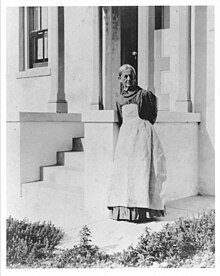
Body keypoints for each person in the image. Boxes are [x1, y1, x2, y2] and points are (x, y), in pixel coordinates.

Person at [107, 64, 167, 222]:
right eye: (125, 76)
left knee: (141, 172)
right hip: (126, 139)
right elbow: (121, 119)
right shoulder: (119, 99)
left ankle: (142, 211)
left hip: (142, 138)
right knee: (124, 174)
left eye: (131, 76)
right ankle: (125, 211)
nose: (128, 79)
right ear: (119, 79)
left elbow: (151, 117)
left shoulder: (144, 95)